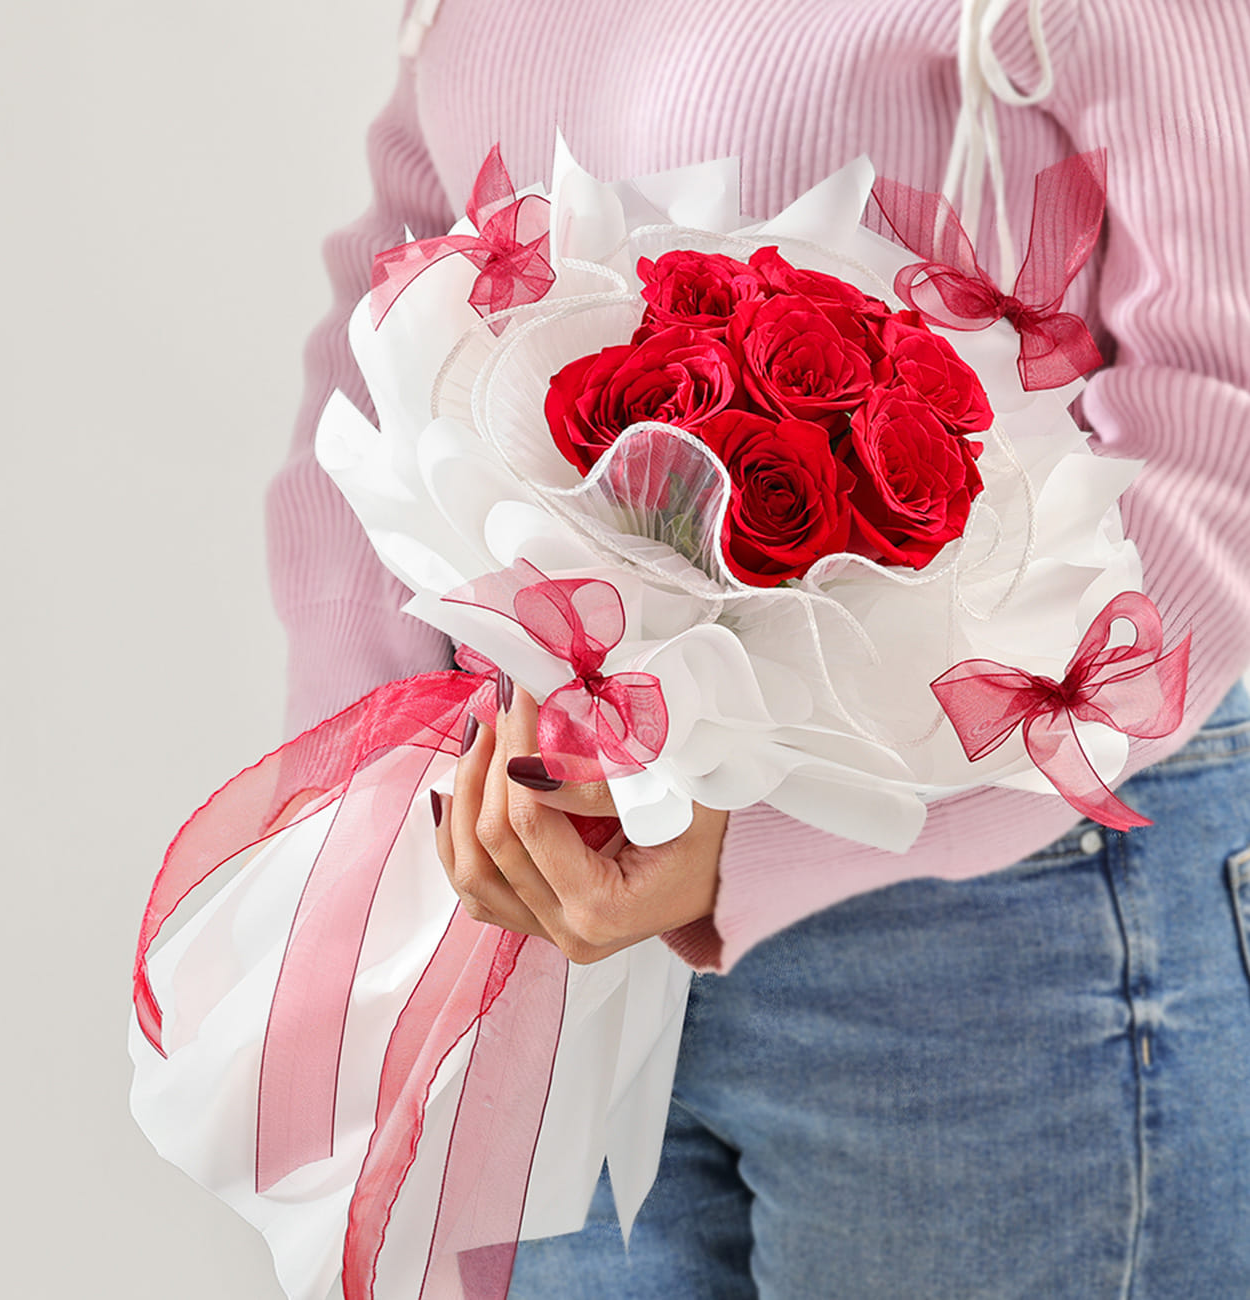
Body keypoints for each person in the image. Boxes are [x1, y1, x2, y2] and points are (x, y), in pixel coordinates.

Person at [268, 0, 1250, 1293]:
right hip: (550, 909)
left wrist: (769, 845)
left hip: (990, 907)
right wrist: (410, 782)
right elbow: (394, 306)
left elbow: (1217, 422)